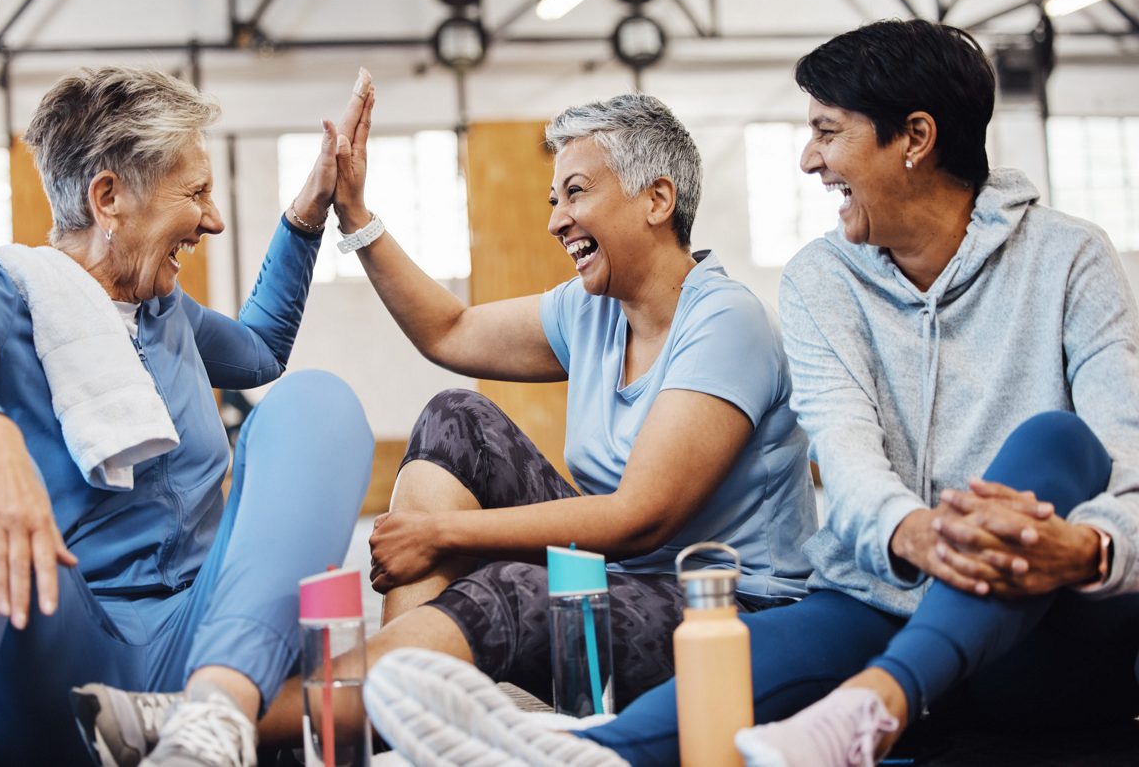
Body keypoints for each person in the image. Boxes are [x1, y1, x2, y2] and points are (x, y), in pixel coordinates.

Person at [360, 19, 1139, 767]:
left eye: (827, 132)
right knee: (729, 665)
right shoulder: (821, 279)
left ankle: (879, 700)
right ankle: (580, 753)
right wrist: (912, 533)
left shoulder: (1069, 260)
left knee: (1056, 441)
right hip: (881, 596)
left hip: (1043, 615)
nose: (808, 159)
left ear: (916, 138)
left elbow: (1128, 466)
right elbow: (849, 459)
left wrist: (1088, 546)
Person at [81, 88, 818, 762]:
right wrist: (356, 218)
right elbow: (451, 330)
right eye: (554, 196)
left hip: (722, 615)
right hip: (618, 583)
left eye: (576, 193)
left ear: (658, 199)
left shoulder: (725, 324)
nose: (556, 218)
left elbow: (639, 519)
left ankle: (208, 719)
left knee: (508, 592)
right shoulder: (590, 309)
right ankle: (398, 728)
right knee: (455, 417)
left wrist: (445, 535)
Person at [0, 67, 376, 767]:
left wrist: (310, 211)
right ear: (110, 196)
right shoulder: (3, 289)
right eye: (195, 193)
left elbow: (259, 354)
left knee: (320, 401)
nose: (214, 219)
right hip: (59, 659)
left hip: (207, 649)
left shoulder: (167, 313)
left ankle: (214, 724)